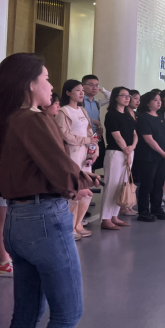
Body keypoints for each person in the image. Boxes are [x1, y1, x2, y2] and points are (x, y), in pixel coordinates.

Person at [0, 53, 99, 328]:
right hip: (44, 219)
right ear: (29, 83)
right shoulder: (34, 119)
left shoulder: (6, 119)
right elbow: (59, 167)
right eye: (47, 78)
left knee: (26, 314)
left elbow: (30, 168)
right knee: (68, 313)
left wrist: (74, 181)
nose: (51, 86)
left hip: (16, 219)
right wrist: (79, 182)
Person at [56, 80, 99, 241]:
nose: (81, 93)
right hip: (72, 154)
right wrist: (86, 141)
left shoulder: (82, 110)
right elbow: (64, 135)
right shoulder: (63, 111)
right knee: (75, 190)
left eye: (82, 90)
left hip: (85, 155)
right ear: (68, 92)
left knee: (86, 189)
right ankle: (70, 227)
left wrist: (94, 150)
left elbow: (90, 133)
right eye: (77, 90)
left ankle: (78, 223)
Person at [100, 87, 138, 230]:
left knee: (121, 185)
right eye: (124, 95)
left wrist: (132, 147)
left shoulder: (128, 114)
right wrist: (127, 151)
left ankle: (114, 216)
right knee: (111, 185)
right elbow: (117, 136)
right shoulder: (111, 115)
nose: (127, 98)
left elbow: (135, 134)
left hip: (128, 152)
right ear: (116, 97)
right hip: (116, 152)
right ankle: (105, 219)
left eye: (129, 96)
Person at [133, 91, 165, 222]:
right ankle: (143, 211)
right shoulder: (143, 118)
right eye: (155, 100)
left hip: (162, 156)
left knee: (159, 184)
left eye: (159, 99)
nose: (159, 102)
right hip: (148, 157)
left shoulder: (160, 116)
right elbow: (148, 139)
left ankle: (156, 209)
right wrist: (162, 152)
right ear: (148, 103)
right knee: (147, 184)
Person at [82, 74, 112, 171]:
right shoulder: (80, 101)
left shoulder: (97, 102)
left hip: (95, 137)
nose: (95, 88)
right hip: (84, 137)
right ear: (82, 86)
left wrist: (102, 89)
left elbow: (111, 97)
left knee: (93, 164)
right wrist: (91, 121)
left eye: (97, 85)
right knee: (83, 165)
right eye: (91, 85)